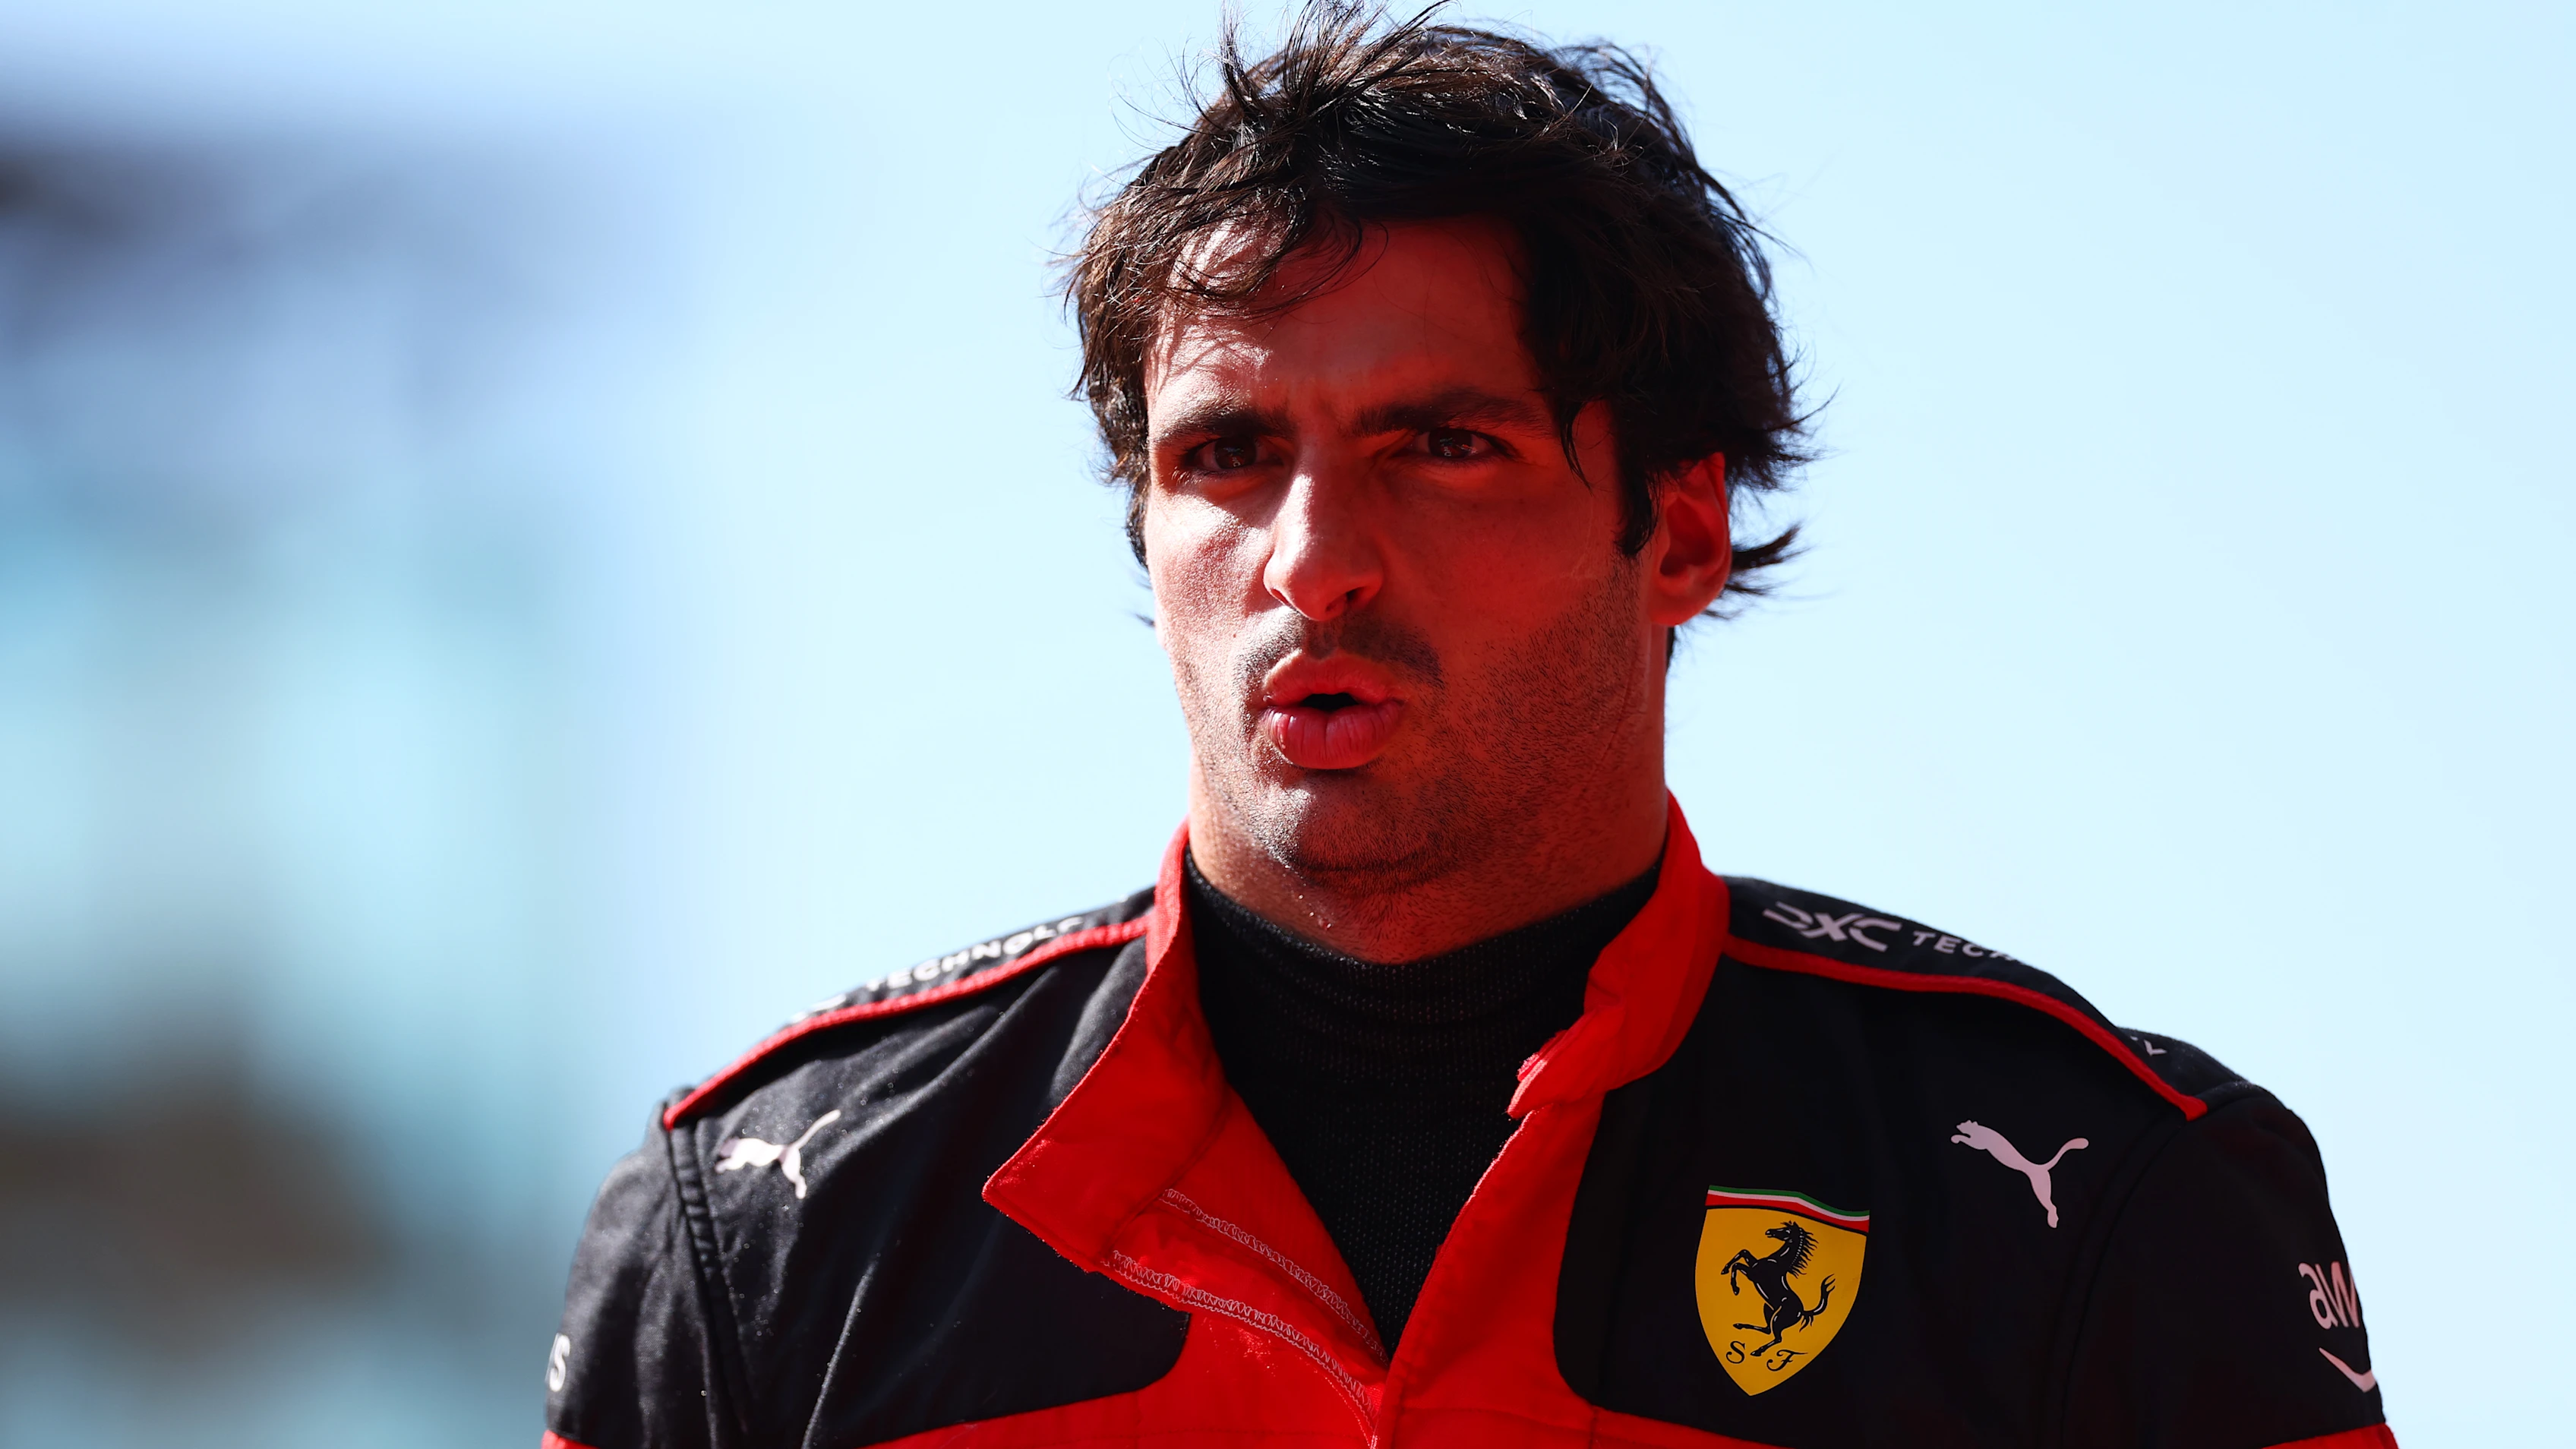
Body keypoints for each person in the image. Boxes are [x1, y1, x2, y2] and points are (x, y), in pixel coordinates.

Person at [540, 8, 2394, 1447]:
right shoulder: (768, 1228)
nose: (1313, 563)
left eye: (1443, 447)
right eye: (1227, 458)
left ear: (1675, 524)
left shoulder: (2090, 1197)